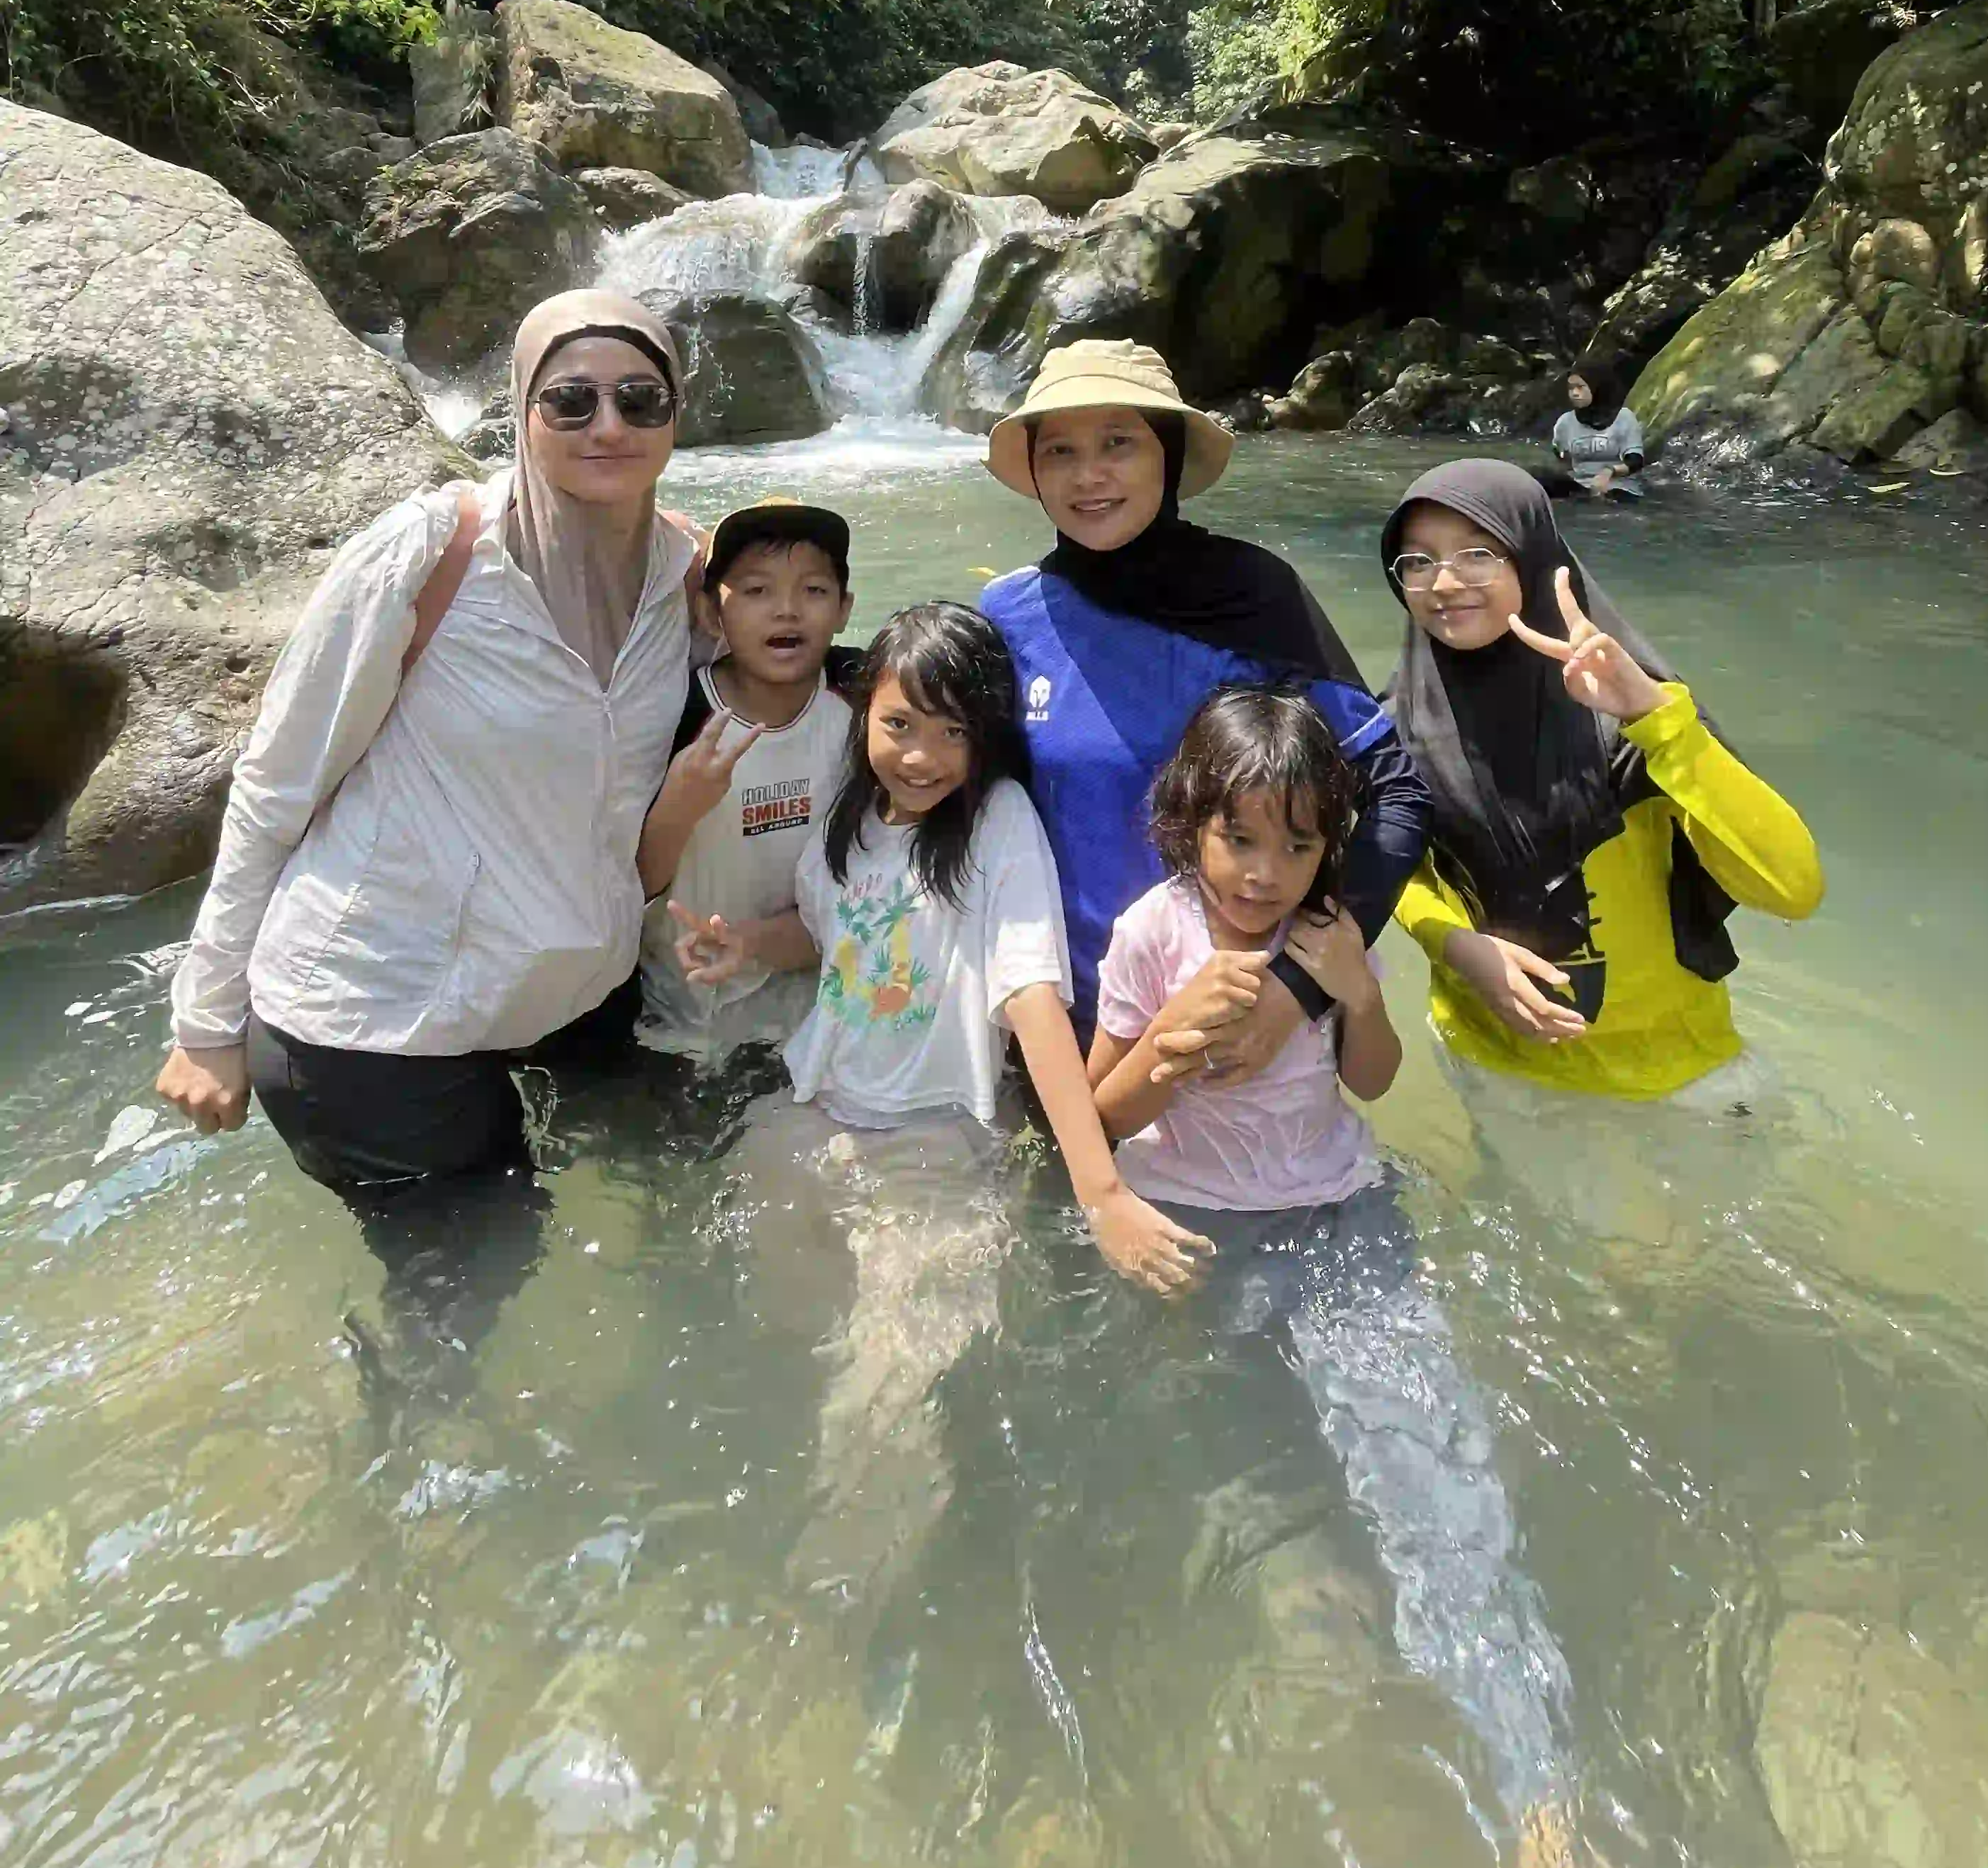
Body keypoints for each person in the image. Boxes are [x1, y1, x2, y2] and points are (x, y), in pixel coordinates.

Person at [1087, 682, 1589, 1868]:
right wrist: (1167, 1039)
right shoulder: (1151, 934)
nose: (1263, 872)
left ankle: (1538, 1781)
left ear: (1331, 843)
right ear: (1187, 825)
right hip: (1198, 1231)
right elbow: (1096, 1119)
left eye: (1298, 844)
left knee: (1433, 1471)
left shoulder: (1324, 932)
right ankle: (1278, 1749)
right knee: (1243, 1492)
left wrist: (1355, 994)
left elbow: (1366, 1080)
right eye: (1238, 840)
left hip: (1336, 1217)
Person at [670, 604, 1210, 1614]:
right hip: (812, 1116)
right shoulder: (852, 815)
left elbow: (1032, 997)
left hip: (935, 1141)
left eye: (954, 731)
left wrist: (1099, 1190)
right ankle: (766, 1539)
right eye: (901, 725)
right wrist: (749, 945)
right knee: (793, 1338)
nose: (922, 756)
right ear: (861, 715)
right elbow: (831, 932)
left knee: (888, 1401)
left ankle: (837, 1618)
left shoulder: (997, 823)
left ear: (989, 737)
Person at [153, 287, 696, 1193]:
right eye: (571, 399)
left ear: (675, 415)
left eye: (640, 399)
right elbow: (276, 783)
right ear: (523, 410)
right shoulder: (432, 553)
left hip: (571, 990)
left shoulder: (682, 573)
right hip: (379, 1018)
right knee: (474, 1292)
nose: (609, 425)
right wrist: (206, 1024)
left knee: (669, 1193)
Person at [977, 339, 1432, 1081]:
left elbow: (1397, 793)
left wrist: (1295, 992)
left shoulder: (1255, 595)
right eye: (1059, 450)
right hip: (1063, 1034)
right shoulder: (1008, 614)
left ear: (1169, 452)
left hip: (1244, 1030)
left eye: (1118, 443)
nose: (1088, 476)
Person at [1382, 461, 1823, 1101]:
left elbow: (1793, 890)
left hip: (1675, 1073)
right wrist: (1452, 945)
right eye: (1416, 562)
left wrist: (1658, 722)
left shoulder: (1634, 709)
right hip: (1492, 1060)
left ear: (1533, 559)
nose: (1443, 582)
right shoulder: (1398, 722)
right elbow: (1396, 865)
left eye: (1477, 553)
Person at [634, 500, 860, 1065]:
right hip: (684, 1022)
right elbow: (625, 885)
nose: (787, 611)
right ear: (711, 615)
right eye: (756, 591)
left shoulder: (865, 707)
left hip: (819, 1007)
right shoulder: (675, 715)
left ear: (845, 609)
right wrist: (679, 808)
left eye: (813, 590)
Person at [1551, 361, 1645, 497]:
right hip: (1581, 487)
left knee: (1613, 496)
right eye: (1571, 388)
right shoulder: (1565, 422)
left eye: (1580, 387)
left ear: (1597, 388)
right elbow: (1560, 457)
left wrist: (1609, 471)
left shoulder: (1624, 417)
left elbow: (1635, 462)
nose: (1574, 393)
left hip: (1619, 487)